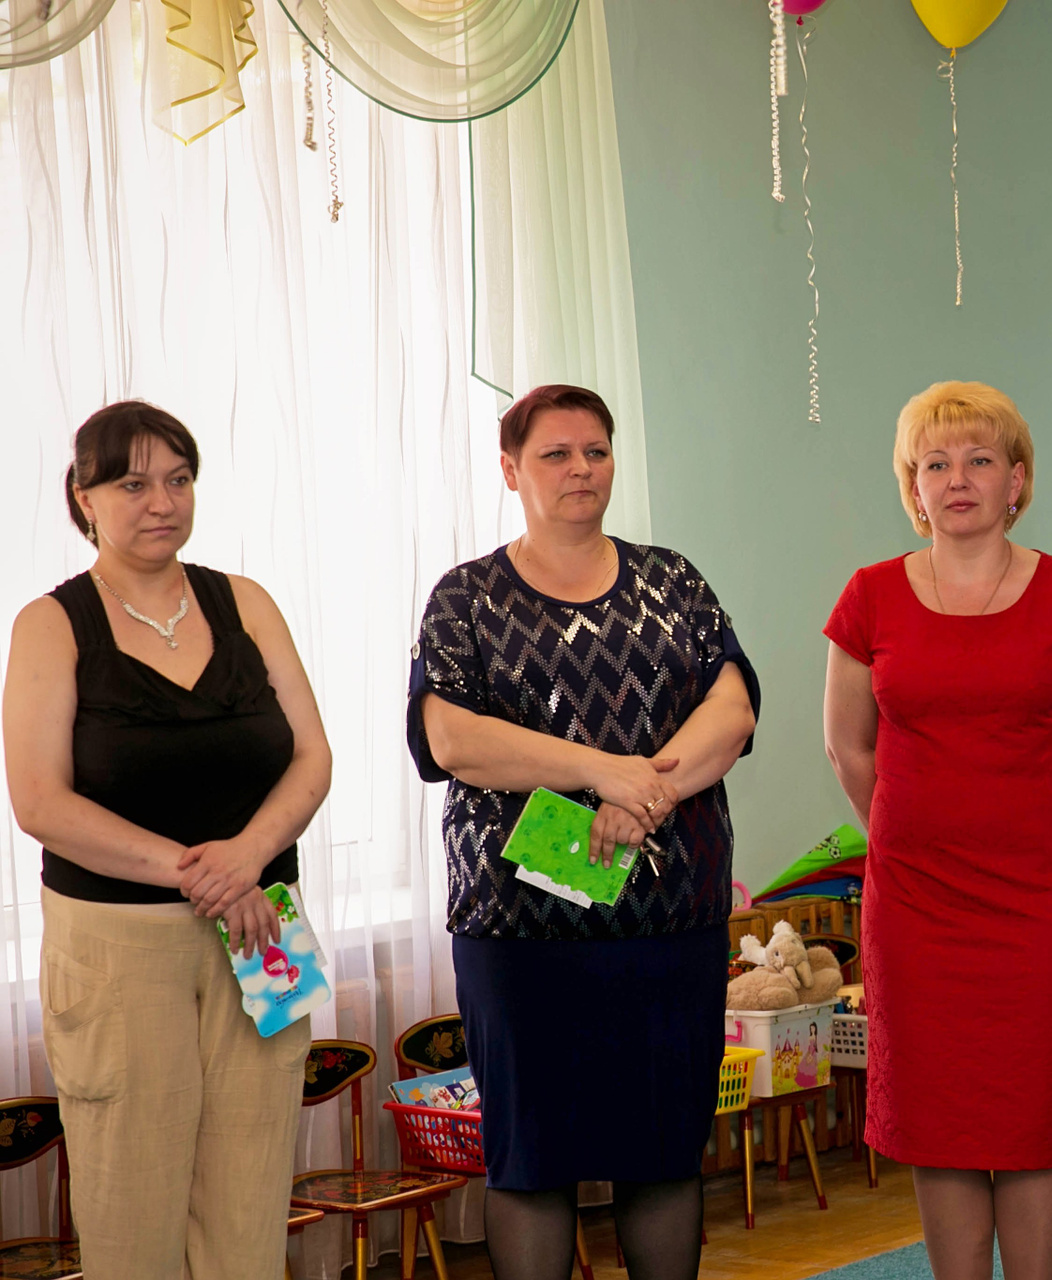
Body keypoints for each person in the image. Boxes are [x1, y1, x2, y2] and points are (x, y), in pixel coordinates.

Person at [408, 385, 758, 1280]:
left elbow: (732, 710)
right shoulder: (467, 597)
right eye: (556, 454)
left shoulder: (672, 581)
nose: (580, 469)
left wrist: (645, 793)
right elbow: (453, 740)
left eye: (595, 451)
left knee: (663, 1154)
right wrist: (600, 771)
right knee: (531, 1159)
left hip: (667, 929)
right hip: (522, 938)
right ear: (510, 470)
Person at [2, 401, 332, 1277]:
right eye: (133, 484)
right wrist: (203, 874)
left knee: (251, 1202)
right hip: (121, 945)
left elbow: (313, 756)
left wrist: (247, 859)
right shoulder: (50, 623)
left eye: (179, 480)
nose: (162, 502)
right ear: (84, 498)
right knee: (133, 1205)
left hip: (266, 925)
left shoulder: (245, 601)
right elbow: (40, 802)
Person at [822, 381, 1052, 1280]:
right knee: (939, 1123)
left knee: (1035, 1121)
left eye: (979, 460)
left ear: (1016, 480)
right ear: (914, 488)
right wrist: (911, 837)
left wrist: (1043, 829)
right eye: (936, 463)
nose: (957, 478)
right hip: (916, 908)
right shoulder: (870, 596)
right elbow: (847, 747)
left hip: (1043, 904)